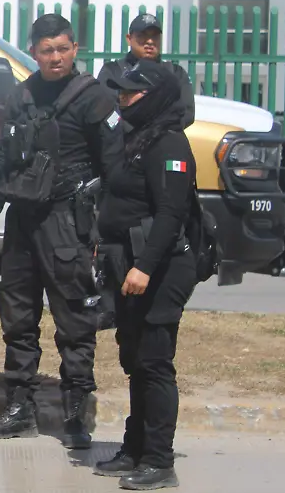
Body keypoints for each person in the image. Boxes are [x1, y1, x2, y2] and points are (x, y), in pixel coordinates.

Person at [0, 13, 124, 448]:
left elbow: (114, 166)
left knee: (74, 318)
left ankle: (75, 414)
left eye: (62, 49)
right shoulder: (21, 95)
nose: (55, 58)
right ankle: (18, 407)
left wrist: (103, 227)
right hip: (22, 219)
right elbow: (6, 157)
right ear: (34, 52)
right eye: (46, 51)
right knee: (17, 316)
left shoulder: (93, 99)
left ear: (75, 49)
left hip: (68, 222)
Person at [93, 60, 201, 490]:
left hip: (161, 267)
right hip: (130, 264)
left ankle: (159, 460)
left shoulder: (170, 143)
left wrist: (143, 267)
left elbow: (171, 215)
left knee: (155, 363)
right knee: (135, 360)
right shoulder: (135, 137)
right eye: (120, 92)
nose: (122, 98)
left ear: (154, 98)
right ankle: (134, 449)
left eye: (131, 93)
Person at [97, 13, 195, 128]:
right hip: (124, 142)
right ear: (129, 39)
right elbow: (105, 114)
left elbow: (187, 114)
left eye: (155, 36)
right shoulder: (112, 72)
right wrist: (130, 130)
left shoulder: (175, 73)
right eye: (142, 35)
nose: (150, 41)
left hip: (164, 140)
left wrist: (156, 130)